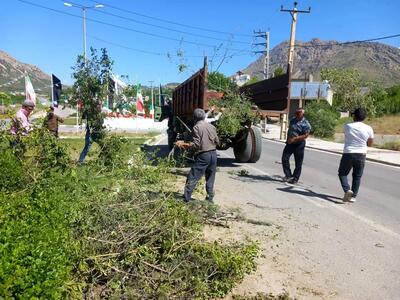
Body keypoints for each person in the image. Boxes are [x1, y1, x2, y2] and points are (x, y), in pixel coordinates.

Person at [176, 108, 219, 203]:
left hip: (204, 155)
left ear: (194, 118)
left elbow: (196, 144)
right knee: (210, 177)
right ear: (204, 117)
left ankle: (186, 199)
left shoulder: (196, 127)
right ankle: (210, 199)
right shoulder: (212, 127)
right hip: (213, 155)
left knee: (192, 176)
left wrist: (184, 145)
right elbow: (217, 141)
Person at [338, 108, 373, 203]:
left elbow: (346, 136)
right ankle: (353, 196)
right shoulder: (369, 128)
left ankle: (347, 190)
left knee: (342, 173)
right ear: (364, 117)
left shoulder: (347, 126)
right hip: (361, 154)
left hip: (348, 153)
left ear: (354, 116)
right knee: (357, 176)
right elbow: (370, 143)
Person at [281, 107, 311, 184]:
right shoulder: (293, 120)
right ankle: (288, 175)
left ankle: (295, 178)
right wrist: (287, 139)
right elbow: (290, 130)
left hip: (299, 145)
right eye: (296, 113)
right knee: (284, 158)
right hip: (290, 143)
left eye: (298, 113)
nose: (296, 114)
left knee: (298, 163)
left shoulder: (306, 124)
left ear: (302, 114)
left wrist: (294, 139)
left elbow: (306, 135)